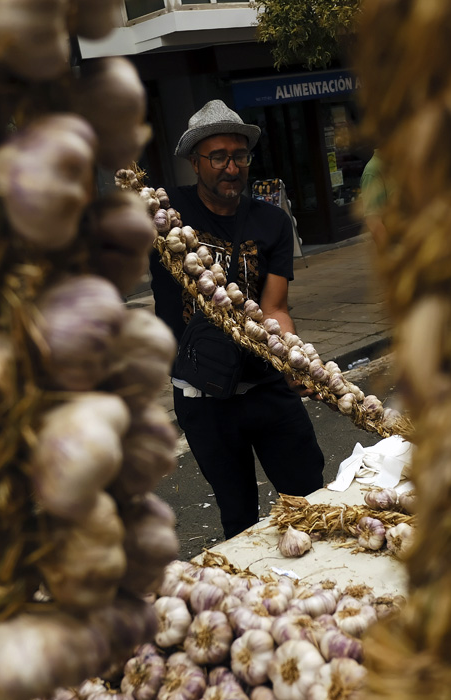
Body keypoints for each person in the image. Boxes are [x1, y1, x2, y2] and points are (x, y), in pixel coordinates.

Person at [149, 99, 325, 539]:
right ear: (195, 162)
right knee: (239, 515)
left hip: (265, 383)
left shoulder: (272, 221)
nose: (231, 168)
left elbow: (275, 307)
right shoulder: (165, 217)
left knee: (309, 496)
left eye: (240, 156)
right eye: (219, 157)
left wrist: (293, 360)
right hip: (203, 395)